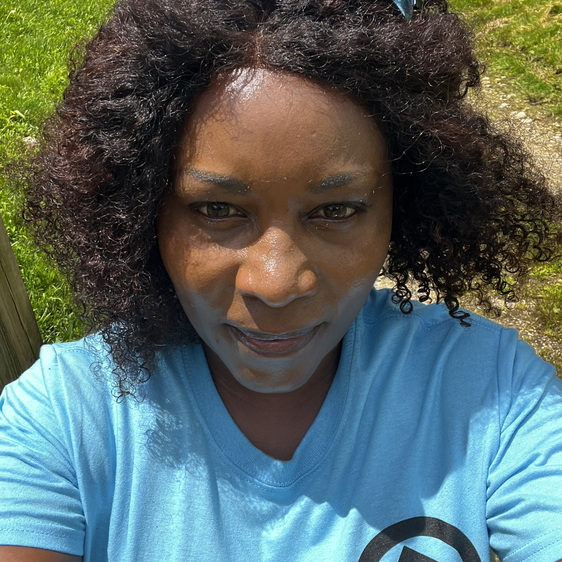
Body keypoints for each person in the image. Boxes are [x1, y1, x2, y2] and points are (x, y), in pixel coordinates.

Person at [0, 0, 561, 560]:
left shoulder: (492, 392)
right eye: (217, 210)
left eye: (336, 210)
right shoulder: (64, 420)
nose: (275, 284)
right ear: (145, 211)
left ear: (404, 204)